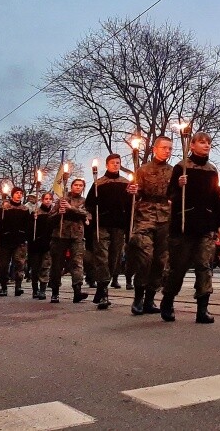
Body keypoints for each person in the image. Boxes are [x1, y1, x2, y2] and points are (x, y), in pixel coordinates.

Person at [160, 131, 220, 324]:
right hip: (184, 224)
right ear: (192, 145)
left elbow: (215, 199)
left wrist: (219, 224)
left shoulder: (212, 170)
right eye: (202, 142)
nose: (206, 146)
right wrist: (179, 186)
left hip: (205, 225)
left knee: (204, 266)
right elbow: (170, 195)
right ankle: (168, 299)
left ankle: (202, 308)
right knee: (178, 266)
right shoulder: (181, 168)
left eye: (208, 143)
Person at [126, 135, 174, 316]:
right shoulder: (143, 170)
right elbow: (135, 195)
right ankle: (138, 295)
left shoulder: (174, 171)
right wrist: (133, 191)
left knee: (160, 260)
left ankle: (150, 298)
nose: (167, 151)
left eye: (170, 148)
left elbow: (176, 195)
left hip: (165, 217)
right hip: (145, 216)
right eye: (164, 148)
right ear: (155, 149)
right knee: (146, 257)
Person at [86, 153, 132, 310]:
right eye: (113, 163)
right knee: (102, 256)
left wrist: (133, 195)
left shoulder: (125, 183)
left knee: (115, 258)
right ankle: (104, 291)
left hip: (119, 224)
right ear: (107, 165)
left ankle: (101, 286)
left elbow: (131, 205)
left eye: (118, 163)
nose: (116, 165)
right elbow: (89, 203)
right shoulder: (99, 183)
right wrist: (94, 206)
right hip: (102, 224)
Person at [48, 178, 91, 304]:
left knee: (77, 263)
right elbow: (50, 217)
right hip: (60, 235)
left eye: (81, 185)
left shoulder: (84, 201)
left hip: (77, 235)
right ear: (71, 186)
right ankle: (55, 292)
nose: (78, 187)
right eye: (76, 185)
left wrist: (70, 208)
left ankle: (77, 290)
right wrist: (59, 213)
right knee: (57, 264)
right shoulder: (61, 199)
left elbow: (86, 214)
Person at [0, 186, 32, 297]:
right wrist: (2, 214)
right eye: (17, 193)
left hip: (19, 241)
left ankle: (18, 286)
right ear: (12, 194)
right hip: (5, 240)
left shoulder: (24, 209)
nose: (19, 195)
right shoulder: (4, 208)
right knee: (4, 265)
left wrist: (25, 235)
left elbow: (28, 226)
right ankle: (3, 287)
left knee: (19, 263)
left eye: (21, 193)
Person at [28, 191, 54, 299]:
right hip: (36, 244)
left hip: (48, 244)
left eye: (49, 199)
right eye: (46, 199)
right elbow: (29, 229)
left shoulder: (53, 213)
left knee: (45, 267)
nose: (48, 201)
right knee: (35, 267)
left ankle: (43, 289)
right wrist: (33, 220)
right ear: (42, 200)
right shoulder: (35, 212)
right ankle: (35, 289)